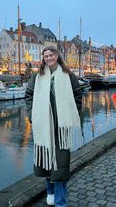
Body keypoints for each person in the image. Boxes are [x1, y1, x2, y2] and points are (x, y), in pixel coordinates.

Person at [26, 46, 82, 207]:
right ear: (43, 58)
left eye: (51, 55)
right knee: (46, 161)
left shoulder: (68, 75)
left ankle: (60, 202)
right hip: (42, 124)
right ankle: (50, 193)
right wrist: (32, 116)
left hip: (62, 126)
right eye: (46, 56)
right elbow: (28, 96)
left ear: (57, 56)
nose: (49, 58)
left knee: (61, 164)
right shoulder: (38, 76)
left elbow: (78, 95)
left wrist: (73, 114)